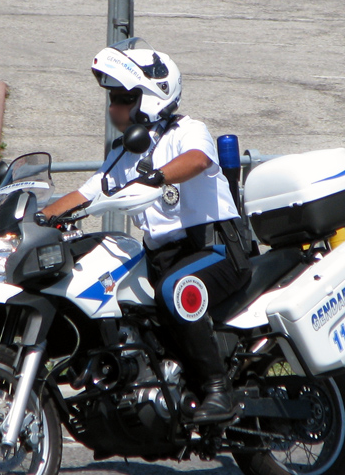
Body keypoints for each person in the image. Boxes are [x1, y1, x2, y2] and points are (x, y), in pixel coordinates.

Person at [43, 38, 252, 423]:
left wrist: (157, 177)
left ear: (150, 96)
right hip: (164, 257)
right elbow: (87, 192)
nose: (113, 107)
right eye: (112, 98)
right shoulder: (124, 153)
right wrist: (41, 218)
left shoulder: (186, 131)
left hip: (215, 249)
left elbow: (197, 159)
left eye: (122, 97)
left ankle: (217, 389)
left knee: (177, 289)